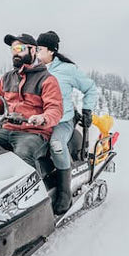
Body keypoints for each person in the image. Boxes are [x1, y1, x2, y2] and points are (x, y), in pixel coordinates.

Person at [0, 34, 64, 209]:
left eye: (20, 49)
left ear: (33, 50)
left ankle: (31, 203)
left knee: (23, 154)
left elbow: (55, 109)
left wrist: (42, 118)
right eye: (13, 49)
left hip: (33, 132)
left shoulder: (47, 80)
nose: (15, 53)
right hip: (5, 129)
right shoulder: (7, 78)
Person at [33, 30, 99, 216]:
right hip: (39, 121)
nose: (37, 52)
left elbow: (90, 88)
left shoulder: (67, 70)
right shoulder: (35, 70)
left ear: (51, 51)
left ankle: (64, 192)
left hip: (63, 121)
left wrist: (87, 110)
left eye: (40, 49)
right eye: (36, 48)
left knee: (56, 144)